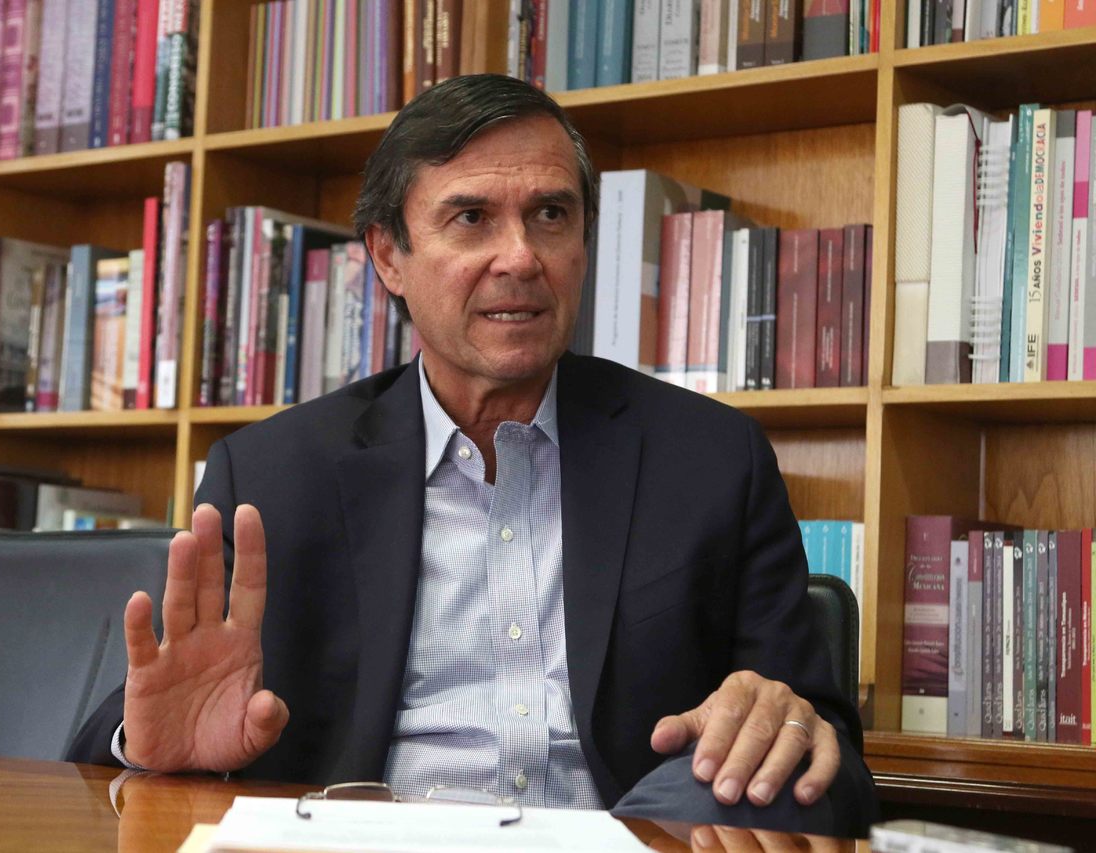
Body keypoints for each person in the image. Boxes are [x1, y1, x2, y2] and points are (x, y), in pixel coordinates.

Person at [69, 74, 876, 836]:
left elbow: (828, 755)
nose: (521, 256)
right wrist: (153, 747)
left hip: (627, 840)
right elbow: (145, 721)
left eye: (551, 215)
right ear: (388, 256)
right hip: (368, 845)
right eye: (471, 218)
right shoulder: (272, 476)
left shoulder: (709, 459)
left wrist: (787, 724)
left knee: (748, 778)